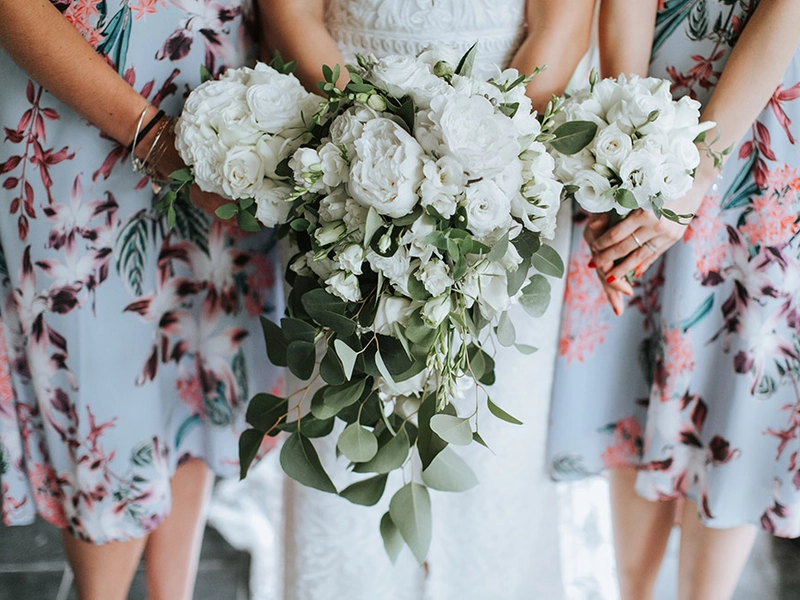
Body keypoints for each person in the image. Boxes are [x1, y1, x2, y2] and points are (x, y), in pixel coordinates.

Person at [258, 1, 598, 598]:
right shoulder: (347, 159)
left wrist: (483, 171)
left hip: (507, 186)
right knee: (346, 423)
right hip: (347, 169)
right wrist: (362, 148)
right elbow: (293, 16)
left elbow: (562, 27)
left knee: (491, 450)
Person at [0, 1, 282, 599]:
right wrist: (152, 139)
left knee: (195, 362)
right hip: (74, 109)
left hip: (222, 94)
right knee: (105, 390)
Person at [550, 0, 800, 598]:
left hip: (767, 110)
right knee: (641, 352)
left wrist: (698, 174)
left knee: (737, 368)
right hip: (660, 91)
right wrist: (618, 155)